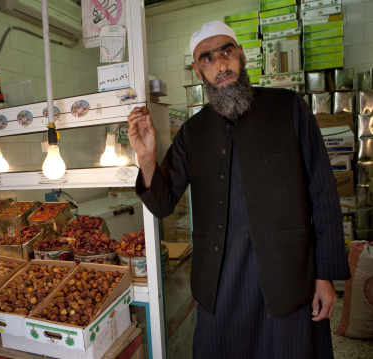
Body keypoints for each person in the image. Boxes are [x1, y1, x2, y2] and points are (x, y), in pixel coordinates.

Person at [127, 21, 350, 358]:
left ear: (241, 55)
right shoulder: (192, 132)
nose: (220, 64)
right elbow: (162, 203)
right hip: (222, 283)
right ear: (198, 71)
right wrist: (146, 158)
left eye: (226, 52)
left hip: (289, 277)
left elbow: (323, 194)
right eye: (208, 58)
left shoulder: (288, 107)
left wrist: (325, 275)